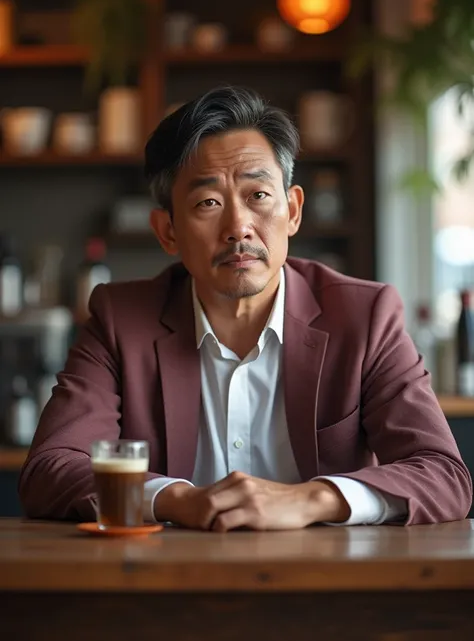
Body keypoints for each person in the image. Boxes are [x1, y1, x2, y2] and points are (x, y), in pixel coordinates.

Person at [19, 85, 472, 530]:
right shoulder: (122, 320)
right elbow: (49, 470)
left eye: (258, 196)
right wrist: (177, 498)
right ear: (167, 231)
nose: (239, 227)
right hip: (166, 584)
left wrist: (312, 499)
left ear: (292, 211)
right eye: (208, 202)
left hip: (331, 584)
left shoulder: (364, 316)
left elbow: (443, 475)